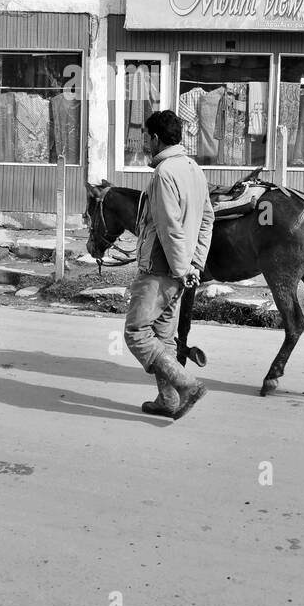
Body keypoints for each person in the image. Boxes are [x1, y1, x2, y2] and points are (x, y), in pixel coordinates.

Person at [123, 109, 214, 420]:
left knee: (136, 332)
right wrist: (195, 266)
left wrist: (181, 268)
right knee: (163, 338)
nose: (146, 142)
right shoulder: (194, 169)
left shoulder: (164, 174)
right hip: (180, 272)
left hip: (160, 271)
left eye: (148, 137)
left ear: (156, 138)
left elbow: (169, 227)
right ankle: (168, 400)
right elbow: (206, 221)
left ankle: (186, 384)